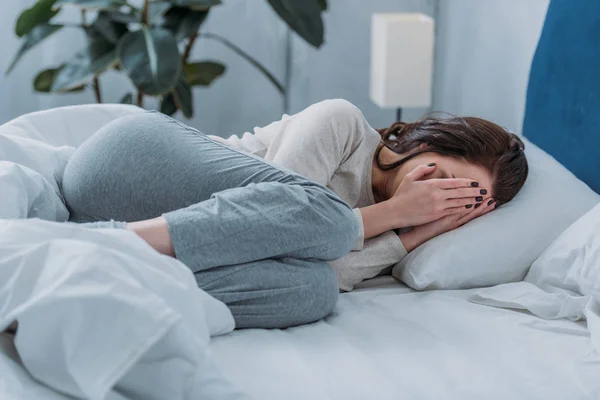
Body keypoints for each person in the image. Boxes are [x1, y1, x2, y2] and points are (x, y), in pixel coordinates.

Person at [61, 99, 528, 329]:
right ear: (424, 145)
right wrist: (392, 215)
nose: (436, 200)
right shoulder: (342, 124)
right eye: (443, 179)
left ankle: (106, 272)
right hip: (131, 160)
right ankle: (107, 246)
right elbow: (275, 213)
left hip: (146, 225)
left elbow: (323, 266)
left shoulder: (395, 236)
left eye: (458, 201)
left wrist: (406, 240)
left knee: (314, 290)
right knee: (321, 217)